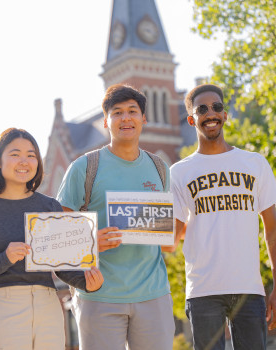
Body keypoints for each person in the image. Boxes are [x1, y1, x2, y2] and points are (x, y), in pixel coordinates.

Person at [56, 84, 175, 350]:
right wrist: (92, 240)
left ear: (143, 118)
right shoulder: (84, 168)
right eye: (117, 112)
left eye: (132, 111)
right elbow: (56, 237)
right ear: (106, 121)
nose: (125, 118)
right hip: (99, 295)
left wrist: (172, 235)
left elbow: (167, 236)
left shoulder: (160, 168)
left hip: (153, 295)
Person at [0, 128, 104, 350]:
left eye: (31, 155)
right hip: (3, 303)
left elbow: (62, 267)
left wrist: (87, 282)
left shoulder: (50, 206)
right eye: (15, 153)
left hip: (47, 301)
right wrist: (5, 258)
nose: (24, 161)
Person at [169, 83, 276, 349]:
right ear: (192, 119)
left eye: (217, 107)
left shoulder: (255, 163)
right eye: (202, 109)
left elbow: (273, 230)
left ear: (225, 115)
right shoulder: (178, 172)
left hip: (249, 290)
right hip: (202, 291)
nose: (210, 113)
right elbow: (171, 237)